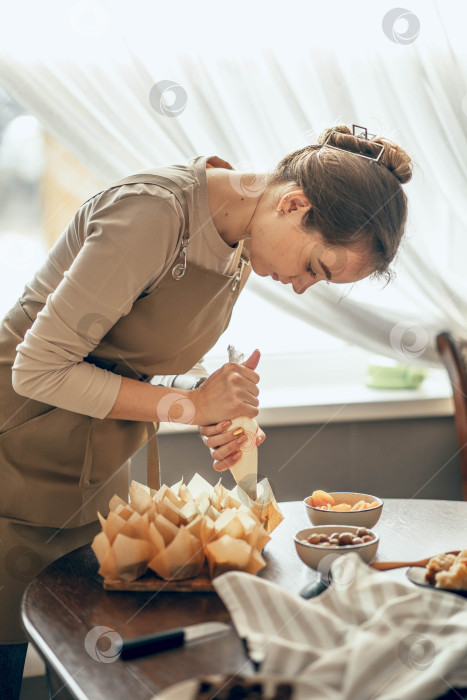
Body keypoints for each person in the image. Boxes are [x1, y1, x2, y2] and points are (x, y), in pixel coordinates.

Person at [0, 124, 412, 698]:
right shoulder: (151, 215)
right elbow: (38, 368)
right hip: (14, 457)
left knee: (82, 669)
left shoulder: (242, 238)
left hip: (90, 470)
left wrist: (215, 402)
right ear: (295, 204)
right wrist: (190, 405)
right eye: (316, 267)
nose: (300, 289)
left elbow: (128, 358)